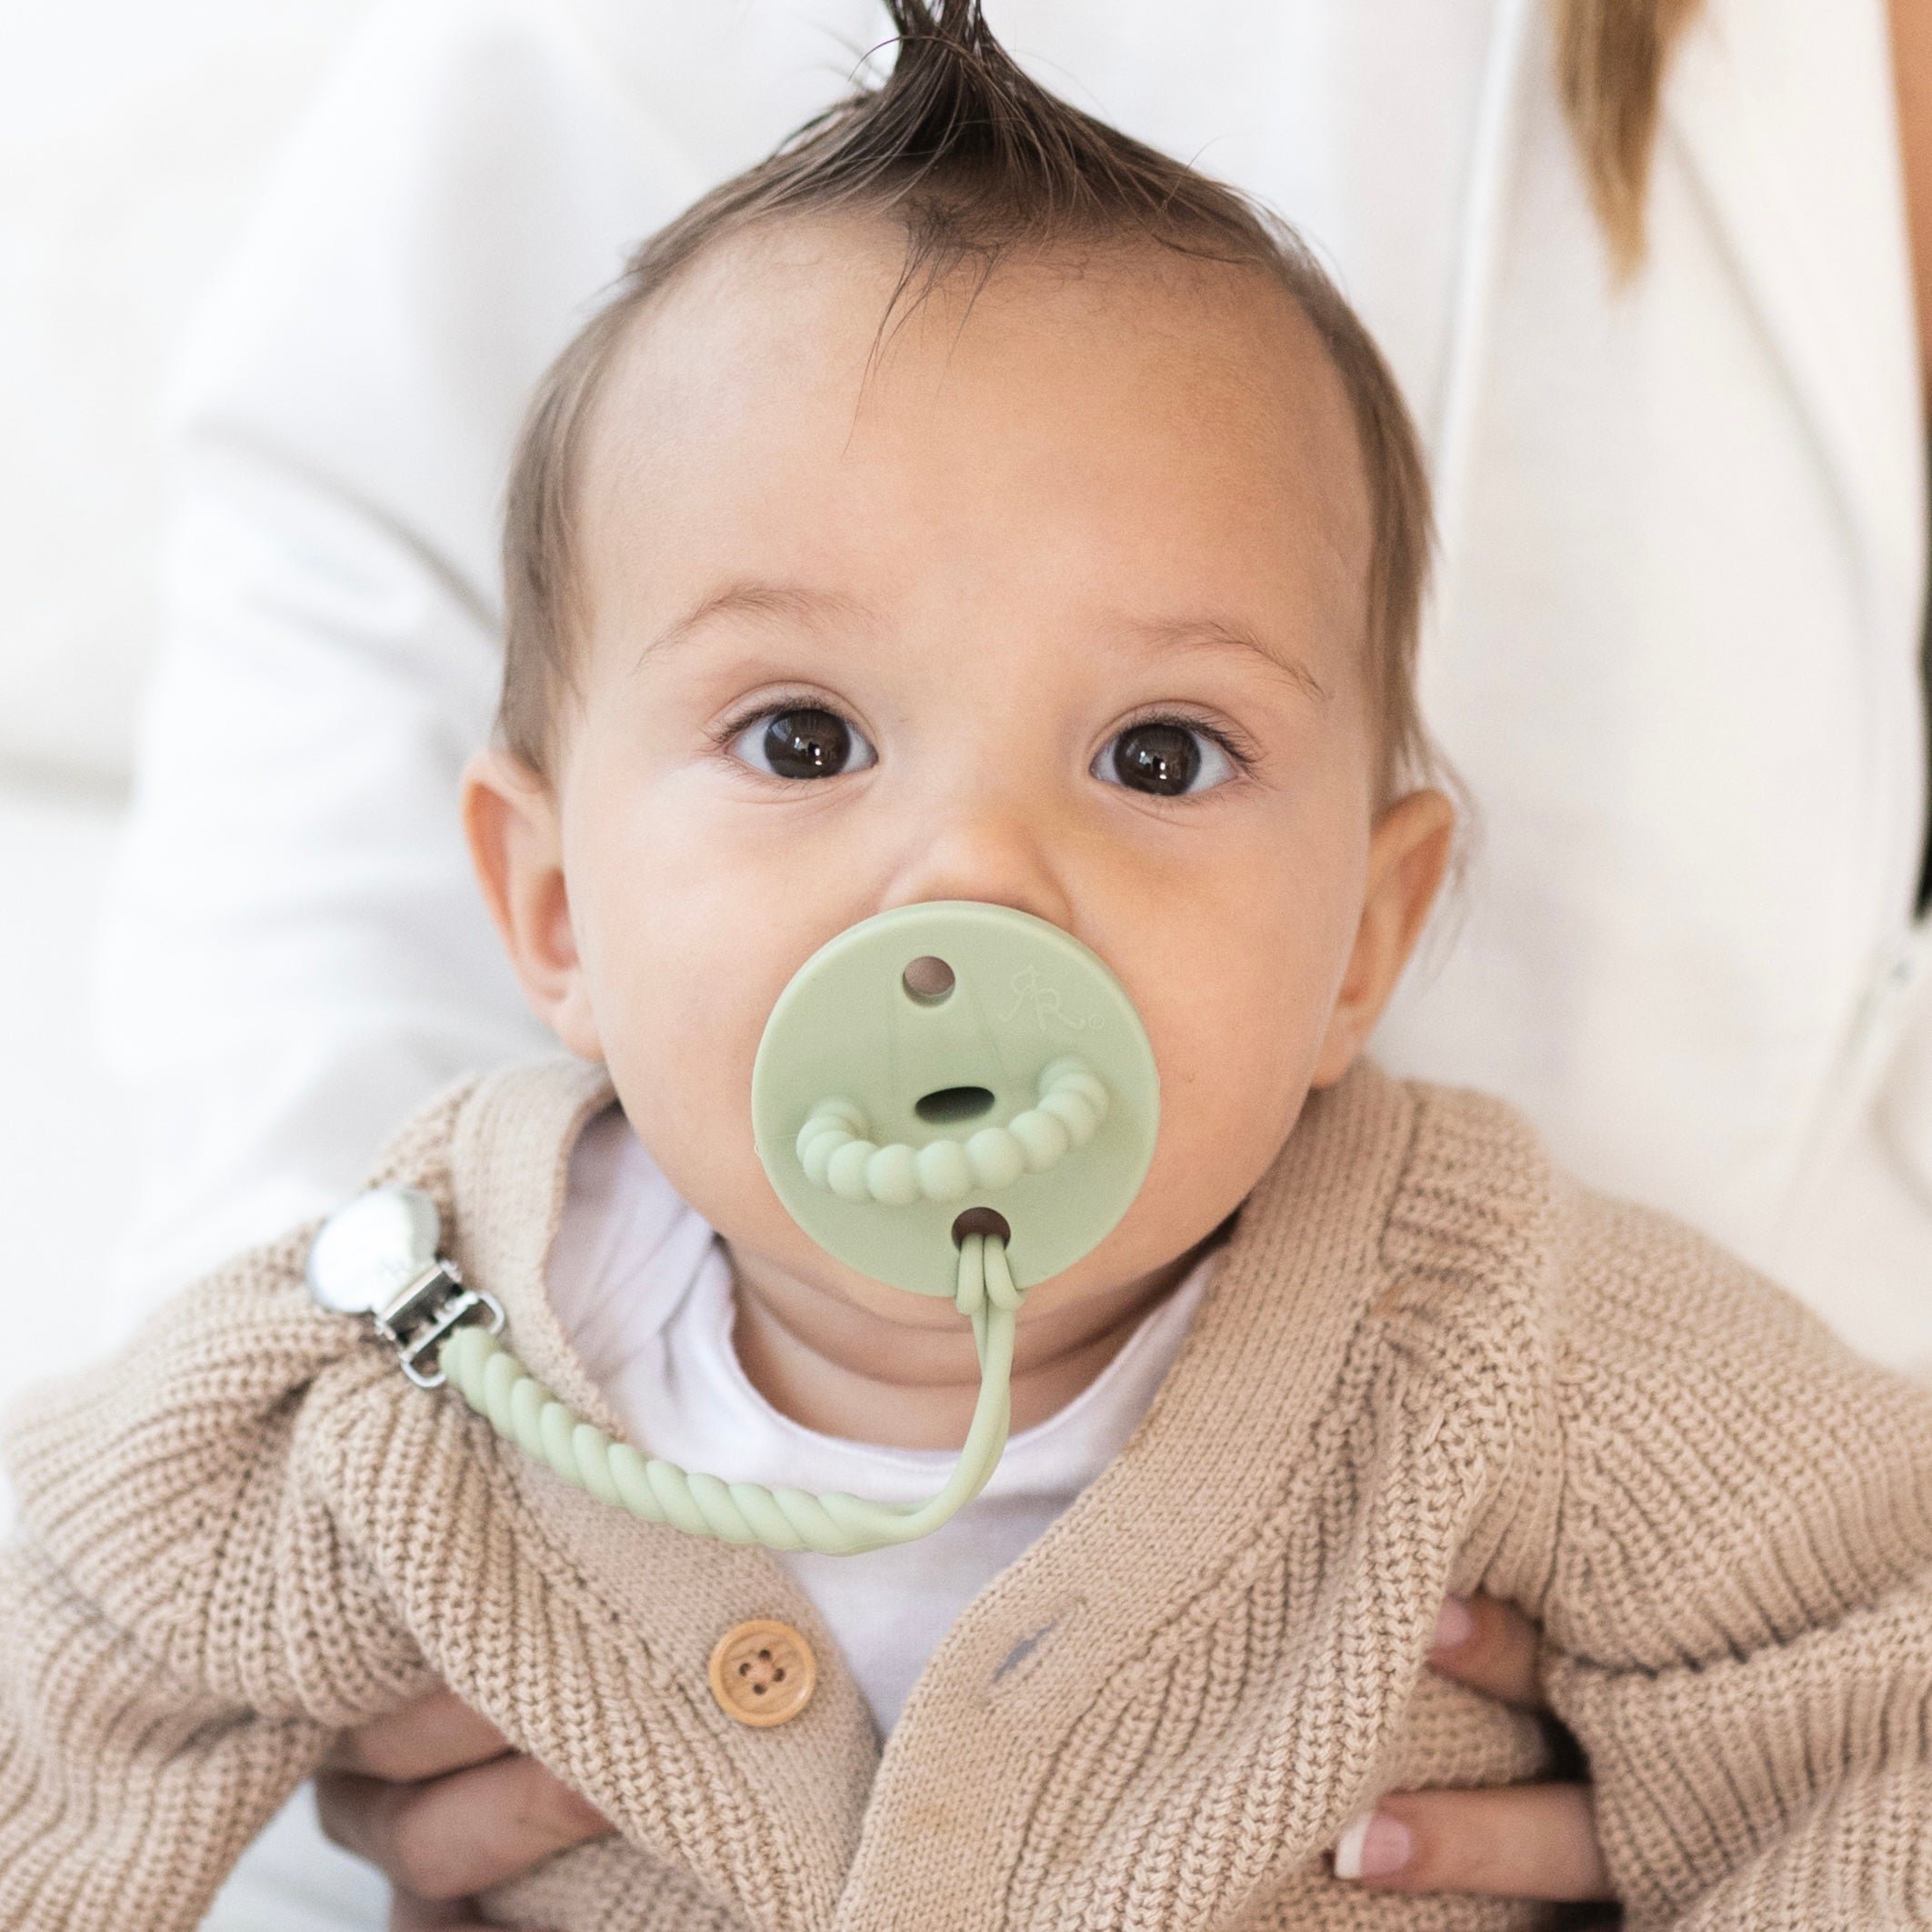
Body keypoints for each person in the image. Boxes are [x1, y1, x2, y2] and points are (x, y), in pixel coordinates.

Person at [16, 9, 1932, 1925]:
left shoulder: (1504, 1336)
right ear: (555, 908)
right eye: (800, 739)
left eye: (1157, 755)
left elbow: (1875, 1690)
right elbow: (54, 1676)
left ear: (1365, 936)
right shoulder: (412, 1355)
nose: (979, 878)